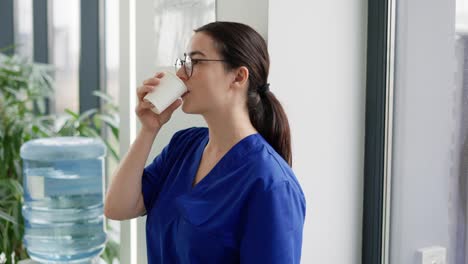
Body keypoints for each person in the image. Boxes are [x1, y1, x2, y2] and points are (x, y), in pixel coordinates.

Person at [104, 21, 306, 263]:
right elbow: (118, 207)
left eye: (196, 62)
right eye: (184, 63)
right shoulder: (184, 146)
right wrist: (149, 129)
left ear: (238, 77)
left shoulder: (271, 183)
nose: (180, 74)